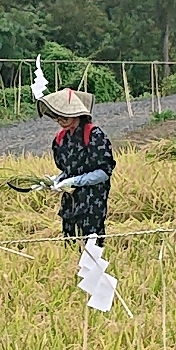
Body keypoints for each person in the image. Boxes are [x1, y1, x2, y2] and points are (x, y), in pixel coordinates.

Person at [36, 88, 116, 247]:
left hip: (92, 202)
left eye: (64, 115)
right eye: (57, 115)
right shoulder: (60, 139)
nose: (60, 119)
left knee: (91, 247)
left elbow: (104, 172)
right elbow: (67, 170)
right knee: (70, 243)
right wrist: (55, 181)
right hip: (70, 203)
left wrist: (76, 181)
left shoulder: (94, 135)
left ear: (77, 114)